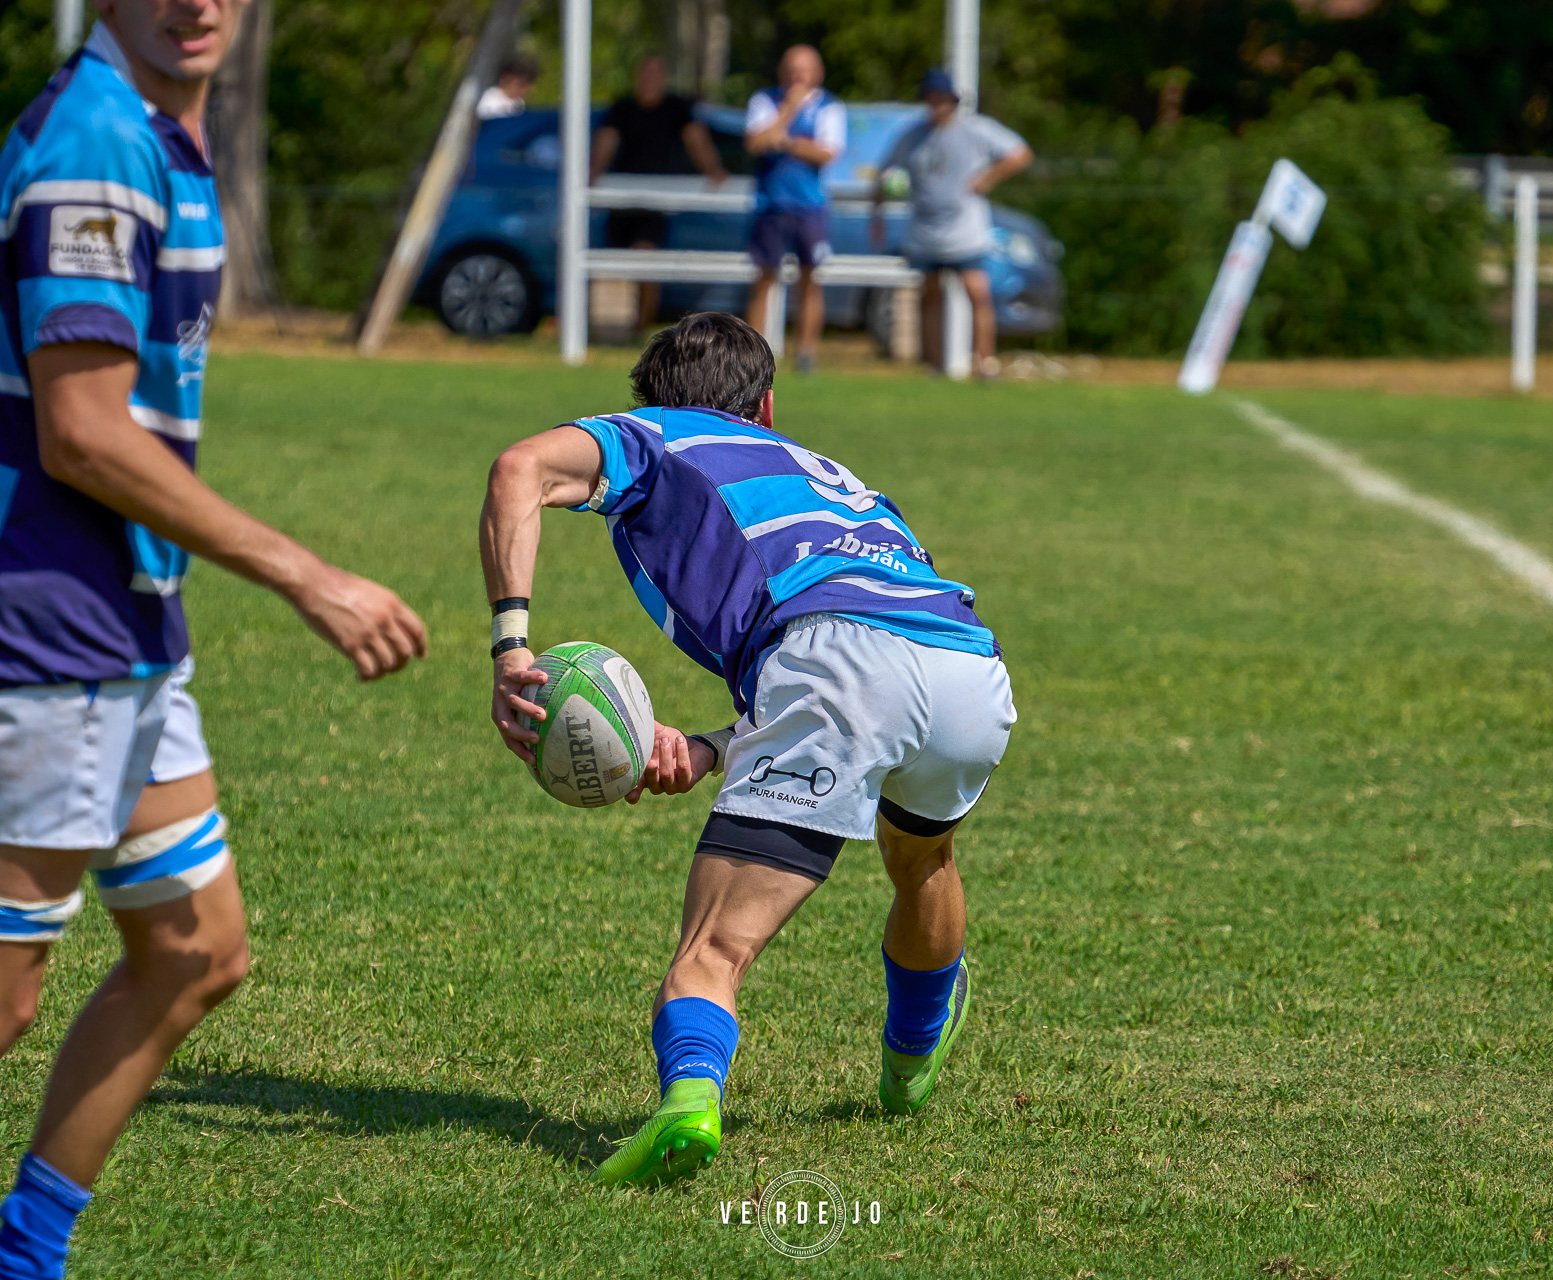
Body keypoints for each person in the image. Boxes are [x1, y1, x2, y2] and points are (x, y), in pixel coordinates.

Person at [0, 3, 427, 1274]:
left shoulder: (160, 135)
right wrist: (308, 574)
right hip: (48, 621)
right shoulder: (94, 142)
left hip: (126, 619)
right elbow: (80, 428)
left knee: (194, 951)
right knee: (10, 993)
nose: (195, 2)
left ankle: (26, 1251)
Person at [481, 313, 1014, 1188]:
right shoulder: (831, 476)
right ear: (766, 406)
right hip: (968, 663)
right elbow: (858, 666)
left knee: (714, 951)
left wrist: (512, 649)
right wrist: (708, 746)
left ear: (654, 403)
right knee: (922, 853)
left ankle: (689, 1101)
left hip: (835, 661)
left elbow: (520, 470)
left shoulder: (652, 436)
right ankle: (913, 1057)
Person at [872, 69, 1033, 379]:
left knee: (977, 291)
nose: (936, 104)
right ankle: (933, 364)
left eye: (941, 98)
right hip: (925, 230)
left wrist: (986, 179)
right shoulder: (912, 135)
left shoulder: (975, 129)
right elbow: (884, 173)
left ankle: (983, 363)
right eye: (931, 98)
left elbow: (1020, 154)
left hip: (964, 230)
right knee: (929, 293)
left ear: (952, 100)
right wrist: (876, 215)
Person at [590, 54, 728, 330]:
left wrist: (714, 171)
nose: (650, 78)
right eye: (646, 72)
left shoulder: (676, 109)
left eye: (656, 72)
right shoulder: (622, 108)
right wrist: (592, 174)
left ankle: (640, 327)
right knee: (614, 264)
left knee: (646, 258)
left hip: (657, 201)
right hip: (621, 200)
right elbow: (606, 143)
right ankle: (610, 328)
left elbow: (696, 140)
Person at [743, 45, 846, 374]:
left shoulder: (829, 107)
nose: (797, 77)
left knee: (810, 279)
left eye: (803, 70)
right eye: (791, 70)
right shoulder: (764, 101)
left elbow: (827, 153)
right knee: (763, 279)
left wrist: (784, 141)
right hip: (771, 204)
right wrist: (788, 111)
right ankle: (754, 356)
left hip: (810, 207)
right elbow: (755, 143)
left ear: (817, 73)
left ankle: (806, 353)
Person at [477, 54, 538, 120]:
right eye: (521, 85)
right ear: (506, 80)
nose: (526, 90)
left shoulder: (519, 103)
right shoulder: (491, 101)